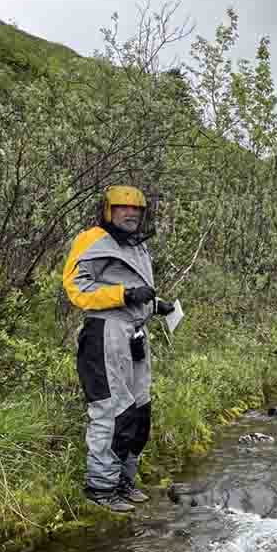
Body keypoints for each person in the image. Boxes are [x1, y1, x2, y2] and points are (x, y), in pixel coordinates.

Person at [62, 185, 176, 513]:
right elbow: (77, 289)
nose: (130, 213)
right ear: (107, 210)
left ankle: (125, 480)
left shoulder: (137, 246)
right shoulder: (93, 239)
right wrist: (124, 295)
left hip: (135, 334)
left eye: (136, 209)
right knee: (112, 410)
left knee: (139, 410)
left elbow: (135, 290)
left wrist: (156, 305)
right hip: (105, 333)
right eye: (123, 207)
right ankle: (101, 488)